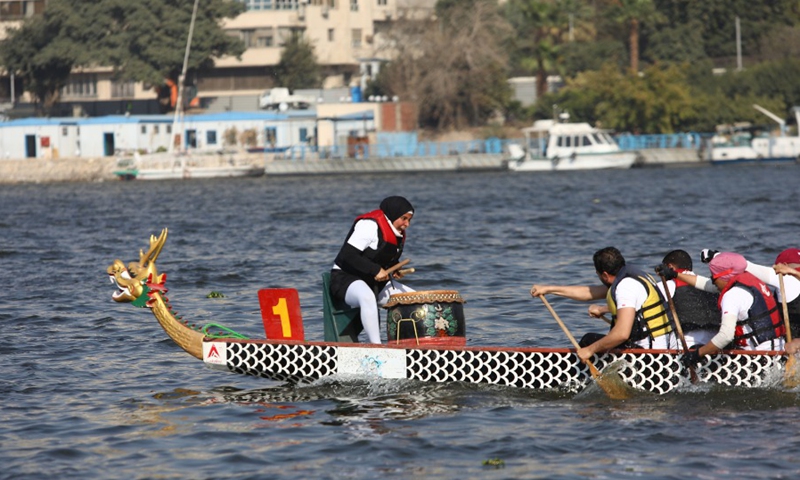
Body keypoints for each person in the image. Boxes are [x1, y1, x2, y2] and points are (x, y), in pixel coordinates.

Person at [530, 246, 676, 363]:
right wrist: (549, 289)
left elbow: (621, 334)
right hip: (665, 350)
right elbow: (589, 293)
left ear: (605, 275)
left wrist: (590, 350)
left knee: (589, 341)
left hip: (650, 357)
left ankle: (578, 381)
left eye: (598, 275)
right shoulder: (633, 277)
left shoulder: (625, 287)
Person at [329, 196, 416, 344]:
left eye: (409, 220)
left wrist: (394, 268)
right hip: (345, 279)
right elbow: (348, 254)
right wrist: (376, 270)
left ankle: (408, 344)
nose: (407, 224)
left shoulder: (396, 232)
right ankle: (377, 347)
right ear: (393, 214)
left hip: (373, 283)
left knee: (415, 300)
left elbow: (380, 256)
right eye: (404, 218)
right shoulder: (369, 226)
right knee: (367, 297)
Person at [677, 252, 785, 368]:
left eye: (713, 277)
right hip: (778, 352)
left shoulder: (732, 295)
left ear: (724, 276)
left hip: (758, 359)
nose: (712, 281)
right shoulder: (750, 282)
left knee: (700, 352)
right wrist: (675, 274)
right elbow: (707, 285)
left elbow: (726, 336)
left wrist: (697, 354)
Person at [695, 249, 800, 354]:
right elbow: (715, 285)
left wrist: (716, 256)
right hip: (783, 345)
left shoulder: (787, 279)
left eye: (776, 266)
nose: (774, 268)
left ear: (784, 266)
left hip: (788, 349)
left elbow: (744, 266)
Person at [655, 249, 721, 347]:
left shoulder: (667, 285)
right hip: (716, 342)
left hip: (687, 343)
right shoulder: (710, 284)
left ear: (669, 267)